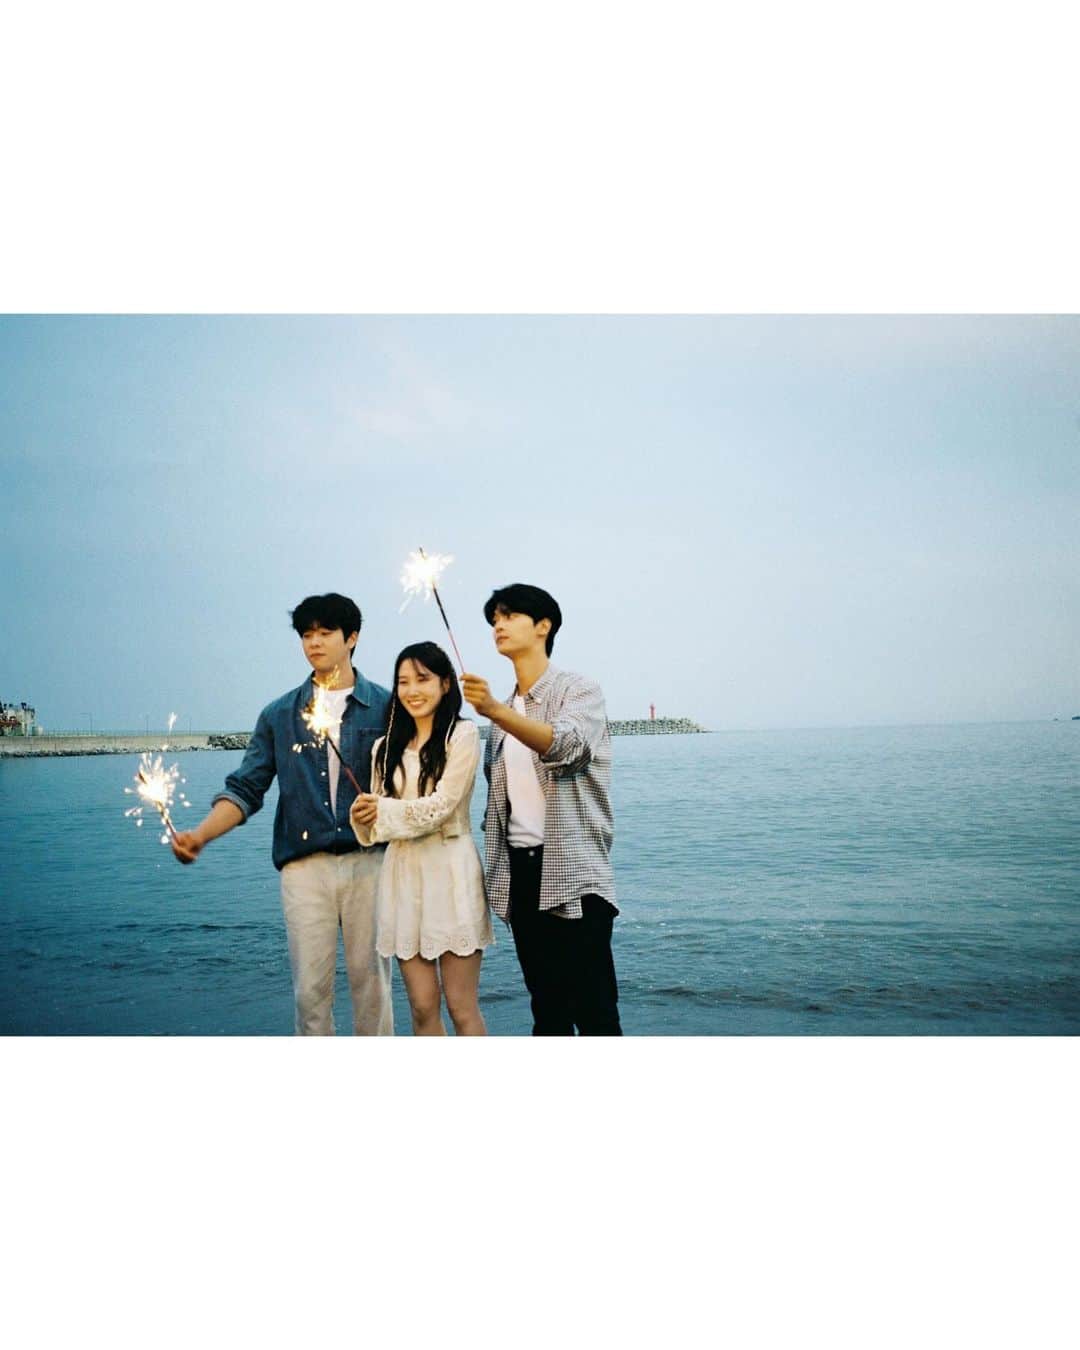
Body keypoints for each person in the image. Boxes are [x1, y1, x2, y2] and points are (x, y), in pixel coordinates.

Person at [170, 593, 394, 1036]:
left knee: (373, 988)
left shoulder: (387, 708)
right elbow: (246, 788)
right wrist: (201, 835)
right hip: (303, 868)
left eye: (325, 632)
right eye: (307, 634)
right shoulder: (279, 714)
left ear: (352, 638)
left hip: (371, 861)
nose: (315, 643)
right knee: (310, 993)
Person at [461, 584, 621, 1036]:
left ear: (543, 626)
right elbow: (500, 806)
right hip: (522, 874)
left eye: (509, 615)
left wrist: (495, 710)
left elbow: (567, 747)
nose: (498, 625)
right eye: (494, 618)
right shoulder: (503, 712)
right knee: (547, 1013)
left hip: (575, 873)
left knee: (596, 1014)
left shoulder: (578, 690)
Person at [350, 641, 492, 1036]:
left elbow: (442, 806)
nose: (412, 690)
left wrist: (383, 810)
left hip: (451, 870)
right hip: (403, 874)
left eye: (422, 679)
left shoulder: (462, 735)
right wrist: (364, 816)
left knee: (461, 1005)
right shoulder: (384, 748)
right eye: (403, 682)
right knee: (421, 1005)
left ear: (445, 684)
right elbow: (378, 823)